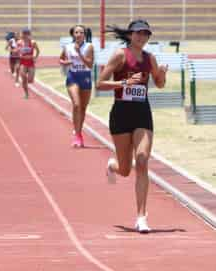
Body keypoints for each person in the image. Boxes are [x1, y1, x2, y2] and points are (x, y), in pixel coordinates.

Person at [96, 19, 168, 233]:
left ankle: (141, 217)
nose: (142, 37)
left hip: (142, 113)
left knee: (143, 160)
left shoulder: (150, 58)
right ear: (130, 35)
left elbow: (160, 84)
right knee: (126, 170)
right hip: (121, 114)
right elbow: (100, 83)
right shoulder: (120, 55)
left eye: (146, 34)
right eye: (138, 33)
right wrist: (124, 83)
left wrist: (162, 73)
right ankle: (113, 165)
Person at [59, 25, 94, 147]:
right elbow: (61, 60)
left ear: (84, 35)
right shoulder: (67, 47)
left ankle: (78, 131)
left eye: (81, 32)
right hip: (73, 77)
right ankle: (77, 135)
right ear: (73, 34)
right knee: (76, 104)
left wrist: (79, 53)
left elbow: (90, 65)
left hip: (85, 77)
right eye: (76, 32)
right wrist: (66, 62)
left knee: (83, 108)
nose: (79, 34)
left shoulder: (89, 47)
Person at [18, 28, 40, 99]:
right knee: (24, 79)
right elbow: (18, 51)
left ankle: (27, 82)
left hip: (31, 63)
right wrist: (19, 54)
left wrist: (35, 58)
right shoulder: (19, 42)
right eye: (21, 34)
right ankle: (26, 94)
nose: (21, 35)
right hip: (23, 63)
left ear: (26, 34)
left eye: (22, 34)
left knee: (30, 80)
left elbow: (38, 51)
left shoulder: (33, 42)